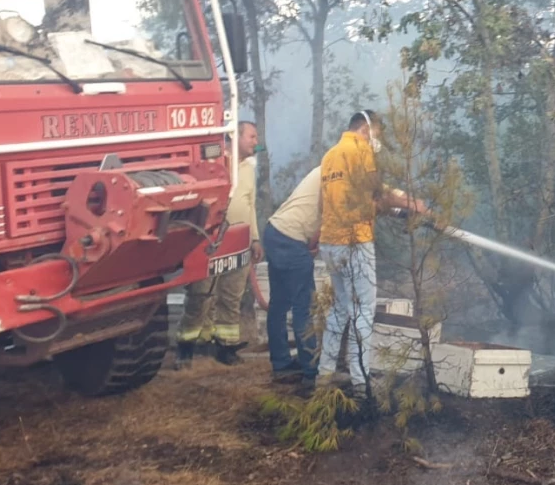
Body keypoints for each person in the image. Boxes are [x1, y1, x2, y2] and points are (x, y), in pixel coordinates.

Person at [317, 110, 435, 396]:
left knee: (340, 309)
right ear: (366, 129)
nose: (378, 140)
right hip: (356, 240)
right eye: (378, 133)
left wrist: (400, 206)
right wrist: (414, 207)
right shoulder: (360, 151)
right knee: (363, 312)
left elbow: (349, 200)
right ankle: (361, 383)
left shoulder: (330, 155)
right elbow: (377, 194)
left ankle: (323, 376)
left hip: (330, 242)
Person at [176, 121, 262, 368]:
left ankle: (225, 348)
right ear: (234, 138)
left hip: (239, 242)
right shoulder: (212, 164)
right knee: (200, 294)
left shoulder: (248, 169)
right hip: (209, 240)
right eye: (252, 136)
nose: (256, 142)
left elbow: (250, 205)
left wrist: (254, 238)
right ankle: (186, 348)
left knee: (231, 296)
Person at [264, 166, 322, 386]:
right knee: (304, 305)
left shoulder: (320, 170)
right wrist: (313, 241)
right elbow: (328, 213)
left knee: (279, 303)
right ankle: (311, 371)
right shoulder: (339, 174)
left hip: (274, 230)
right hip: (292, 238)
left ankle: (281, 364)